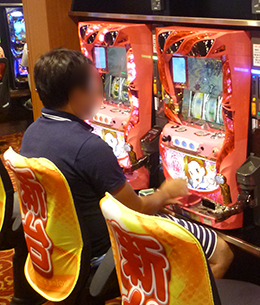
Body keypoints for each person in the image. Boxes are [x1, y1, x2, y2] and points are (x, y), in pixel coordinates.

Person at [20, 48, 233, 279]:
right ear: (77, 94)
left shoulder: (32, 134)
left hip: (60, 250)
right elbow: (136, 210)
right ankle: (178, 301)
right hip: (106, 252)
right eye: (95, 84)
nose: (100, 92)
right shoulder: (88, 148)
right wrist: (165, 193)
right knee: (222, 252)